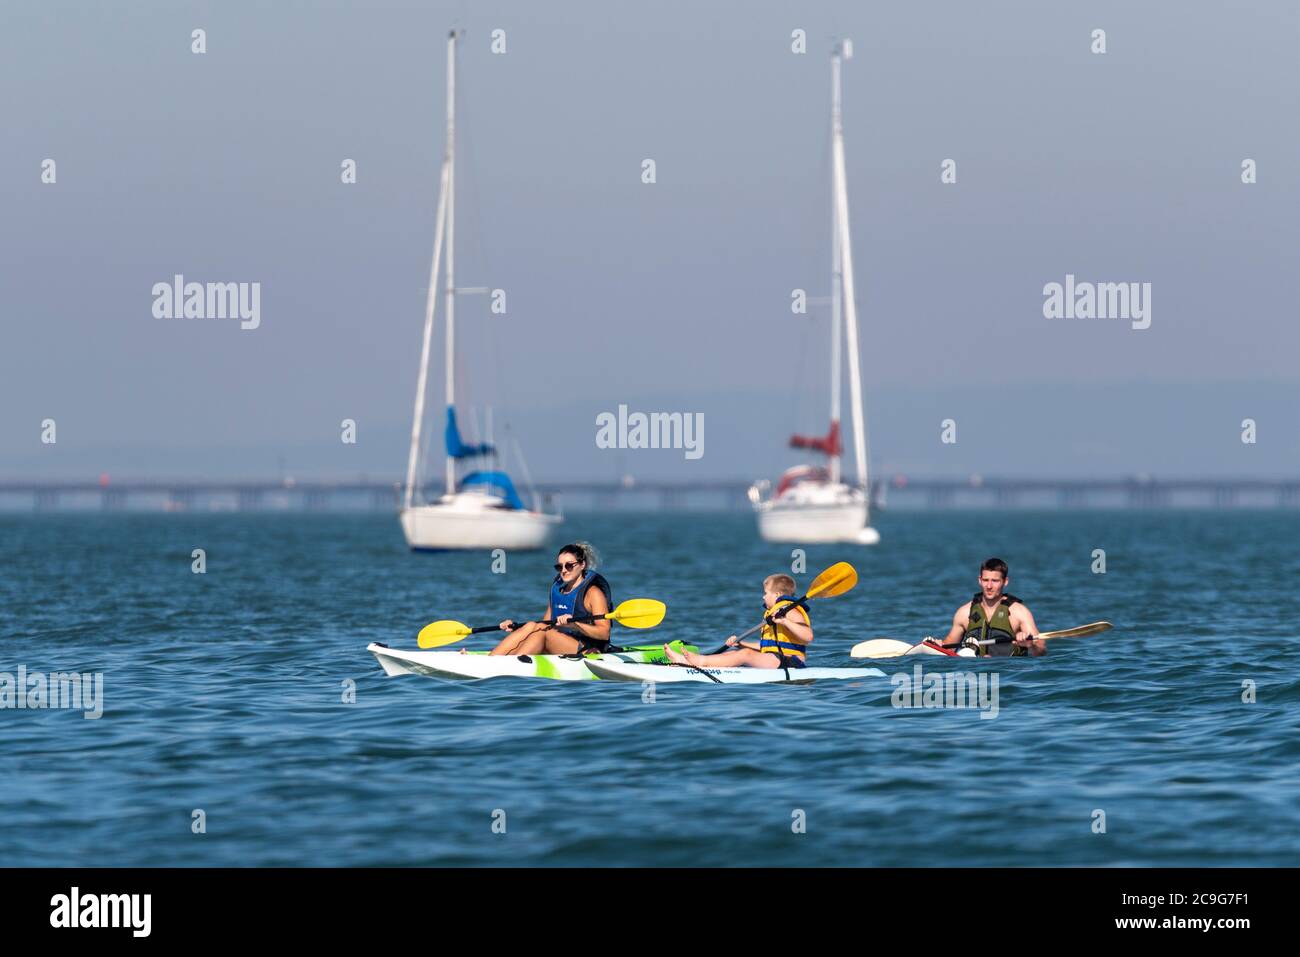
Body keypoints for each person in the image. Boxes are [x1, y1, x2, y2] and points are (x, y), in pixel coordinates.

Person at [663, 573, 812, 669]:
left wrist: (785, 621)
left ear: (778, 594)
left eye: (766, 593)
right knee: (735, 651)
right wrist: (741, 644)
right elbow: (768, 646)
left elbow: (808, 636)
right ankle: (697, 661)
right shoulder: (774, 613)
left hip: (791, 662)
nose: (763, 597)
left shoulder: (790, 611)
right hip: (774, 658)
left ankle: (698, 662)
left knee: (745, 654)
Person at [487, 542, 612, 656]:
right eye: (559, 567)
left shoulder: (593, 593)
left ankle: (510, 665)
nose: (563, 571)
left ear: (582, 565)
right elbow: (545, 624)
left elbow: (604, 633)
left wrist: (575, 625)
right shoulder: (557, 590)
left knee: (544, 633)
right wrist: (517, 628)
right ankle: (492, 658)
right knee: (532, 625)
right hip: (559, 642)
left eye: (569, 566)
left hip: (587, 649)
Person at [934, 557, 1046, 657]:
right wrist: (938, 646)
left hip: (1007, 675)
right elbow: (949, 647)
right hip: (975, 674)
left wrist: (1030, 645)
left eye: (995, 581)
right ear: (979, 580)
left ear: (1005, 582)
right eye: (985, 580)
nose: (989, 586)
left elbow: (1041, 651)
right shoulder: (964, 612)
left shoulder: (1019, 612)